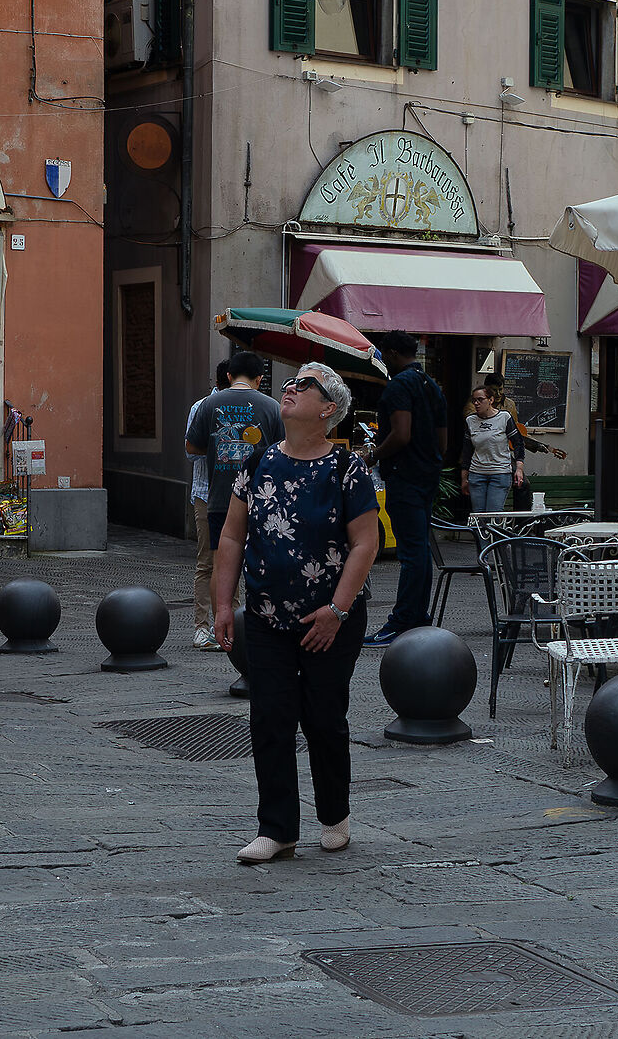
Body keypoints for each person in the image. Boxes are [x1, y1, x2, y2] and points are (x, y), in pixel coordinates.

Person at [211, 361, 380, 864]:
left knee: (324, 718)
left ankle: (334, 815)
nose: (291, 388)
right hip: (267, 615)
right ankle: (277, 828)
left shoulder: (347, 468)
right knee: (271, 718)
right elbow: (231, 536)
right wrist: (223, 603)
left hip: (332, 616)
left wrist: (337, 609)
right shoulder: (258, 462)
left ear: (328, 409)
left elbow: (366, 543)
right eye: (290, 382)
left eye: (304, 386)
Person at [183, 353, 278, 649]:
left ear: (227, 376)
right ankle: (255, 626)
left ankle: (217, 627)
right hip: (259, 499)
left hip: (218, 499)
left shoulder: (208, 404)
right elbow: (280, 450)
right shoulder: (272, 406)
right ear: (260, 378)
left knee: (215, 562)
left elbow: (191, 446)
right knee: (259, 562)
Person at [364, 331, 448, 646]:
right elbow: (442, 438)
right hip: (427, 474)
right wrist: (432, 463)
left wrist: (373, 454)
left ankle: (402, 621)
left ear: (393, 353)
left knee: (411, 552)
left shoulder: (399, 385)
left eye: (384, 353)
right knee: (420, 549)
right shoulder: (432, 386)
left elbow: (400, 434)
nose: (383, 360)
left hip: (404, 475)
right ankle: (418, 617)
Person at [460, 381, 528, 517]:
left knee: (493, 514)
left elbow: (518, 443)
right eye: (474, 401)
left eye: (480, 400)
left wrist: (519, 469)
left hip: (500, 473)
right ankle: (481, 539)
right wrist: (464, 478)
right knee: (478, 517)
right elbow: (467, 451)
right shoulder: (471, 421)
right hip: (477, 474)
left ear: (490, 400)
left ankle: (494, 539)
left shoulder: (504, 417)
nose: (477, 403)